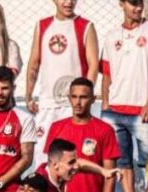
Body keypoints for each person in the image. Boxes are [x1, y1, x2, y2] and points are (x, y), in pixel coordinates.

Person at [100, 0, 148, 192]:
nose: (138, 7)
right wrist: (105, 104)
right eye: (132, 3)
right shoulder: (112, 36)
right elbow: (106, 73)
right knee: (122, 161)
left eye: (140, 3)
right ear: (121, 4)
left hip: (142, 109)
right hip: (114, 110)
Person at [26, 0, 99, 168]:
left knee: (73, 158)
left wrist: (84, 99)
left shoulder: (85, 26)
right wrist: (29, 95)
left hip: (72, 106)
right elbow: (34, 63)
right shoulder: (42, 25)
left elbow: (93, 64)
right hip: (47, 104)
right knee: (44, 158)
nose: (68, 2)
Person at [44, 78, 118, 192]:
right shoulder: (57, 128)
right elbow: (49, 170)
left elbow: (110, 176)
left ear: (93, 99)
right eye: (74, 97)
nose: (78, 102)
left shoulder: (105, 130)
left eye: (83, 97)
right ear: (69, 98)